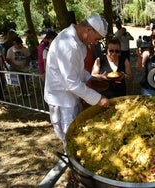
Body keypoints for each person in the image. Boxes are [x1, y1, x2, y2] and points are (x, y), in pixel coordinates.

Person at [44, 13, 109, 142]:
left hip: (71, 97)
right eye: (96, 39)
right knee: (69, 138)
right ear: (88, 30)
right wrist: (99, 99)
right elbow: (71, 83)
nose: (95, 43)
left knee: (76, 134)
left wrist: (90, 78)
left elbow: (77, 70)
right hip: (61, 100)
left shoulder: (78, 40)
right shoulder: (68, 45)